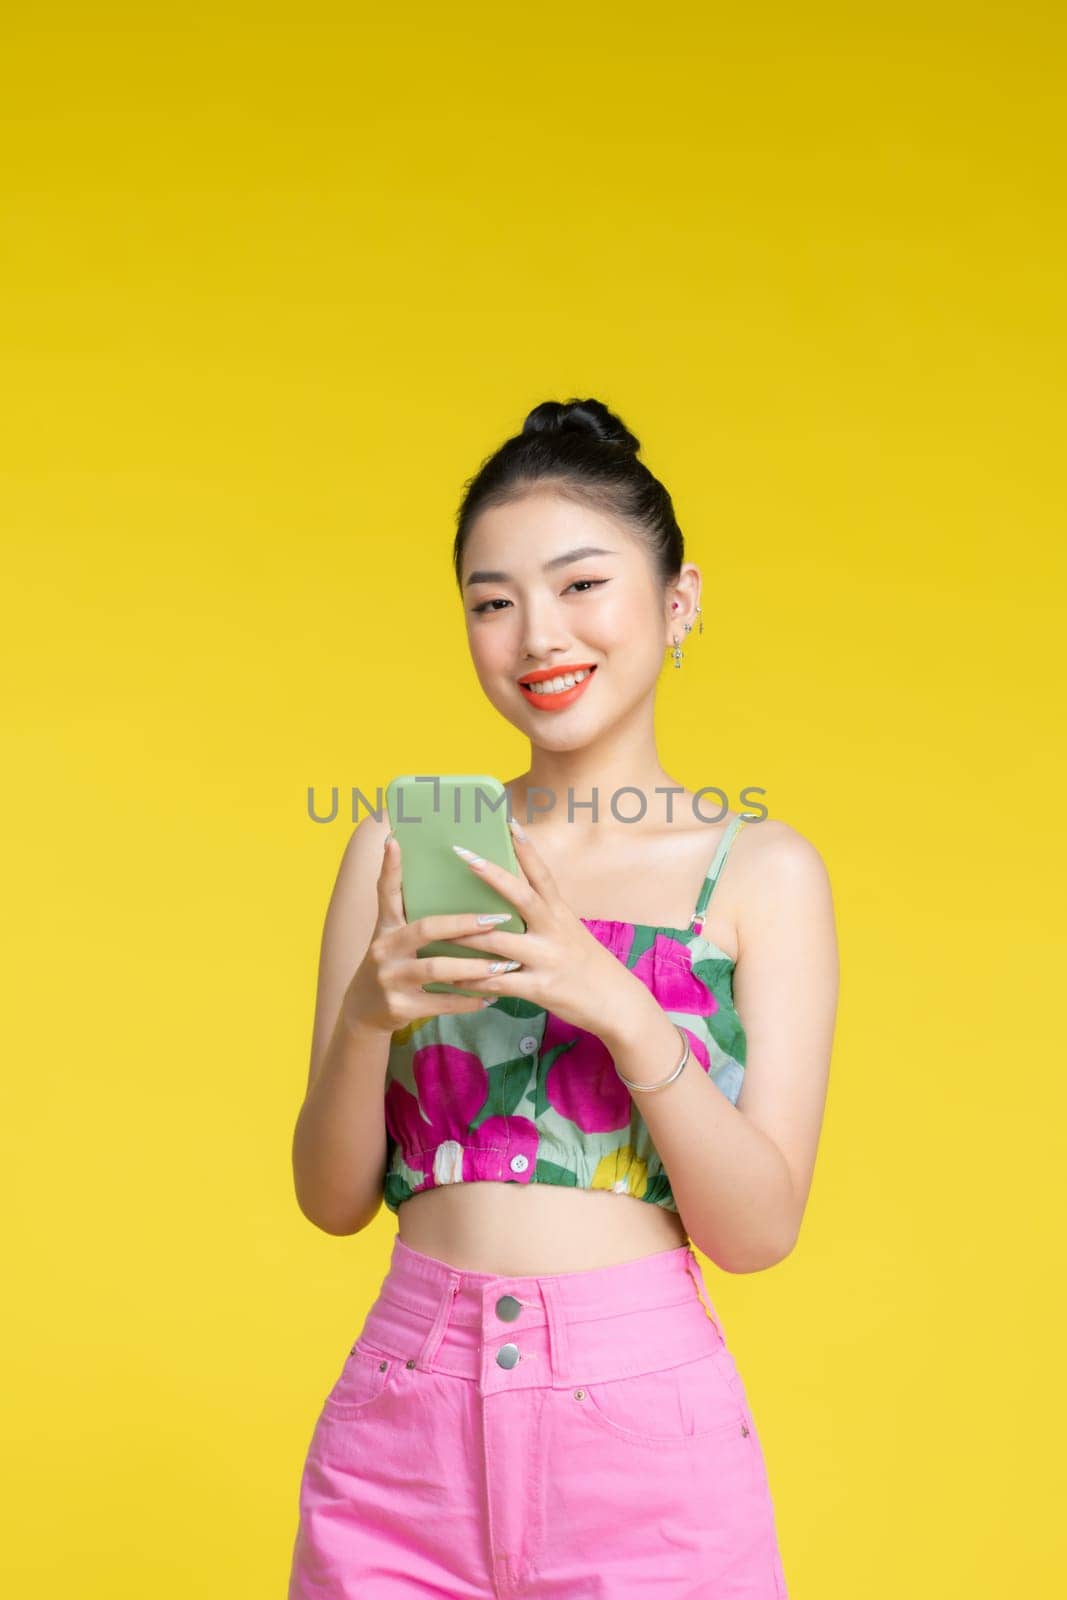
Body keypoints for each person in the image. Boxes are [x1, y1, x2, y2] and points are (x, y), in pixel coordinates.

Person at [287, 397, 839, 1598]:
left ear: (676, 599)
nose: (536, 632)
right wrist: (367, 1017)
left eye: (579, 584)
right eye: (492, 600)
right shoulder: (395, 843)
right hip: (402, 1425)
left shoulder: (759, 873)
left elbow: (756, 1232)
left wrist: (624, 1008)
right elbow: (330, 1200)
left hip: (642, 1442)